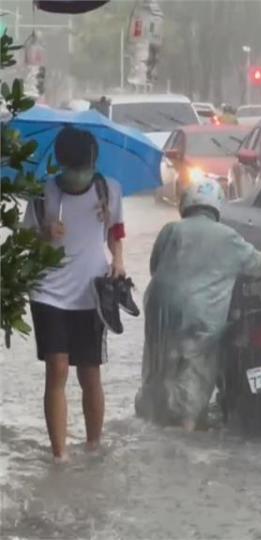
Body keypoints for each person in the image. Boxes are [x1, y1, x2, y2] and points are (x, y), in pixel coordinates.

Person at [136, 178, 261, 431]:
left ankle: (154, 419)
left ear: (186, 205)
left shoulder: (171, 230)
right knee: (196, 368)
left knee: (160, 367)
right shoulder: (227, 237)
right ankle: (187, 427)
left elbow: (155, 267)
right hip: (200, 314)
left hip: (159, 308)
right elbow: (257, 263)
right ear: (217, 206)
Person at [22, 126, 128, 463]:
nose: (81, 174)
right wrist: (44, 232)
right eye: (75, 167)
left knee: (90, 371)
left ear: (94, 162)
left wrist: (119, 260)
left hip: (90, 290)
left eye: (87, 166)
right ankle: (60, 456)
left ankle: (94, 447)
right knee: (58, 368)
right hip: (48, 291)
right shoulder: (44, 194)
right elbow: (23, 241)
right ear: (61, 164)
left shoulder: (107, 189)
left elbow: (116, 233)